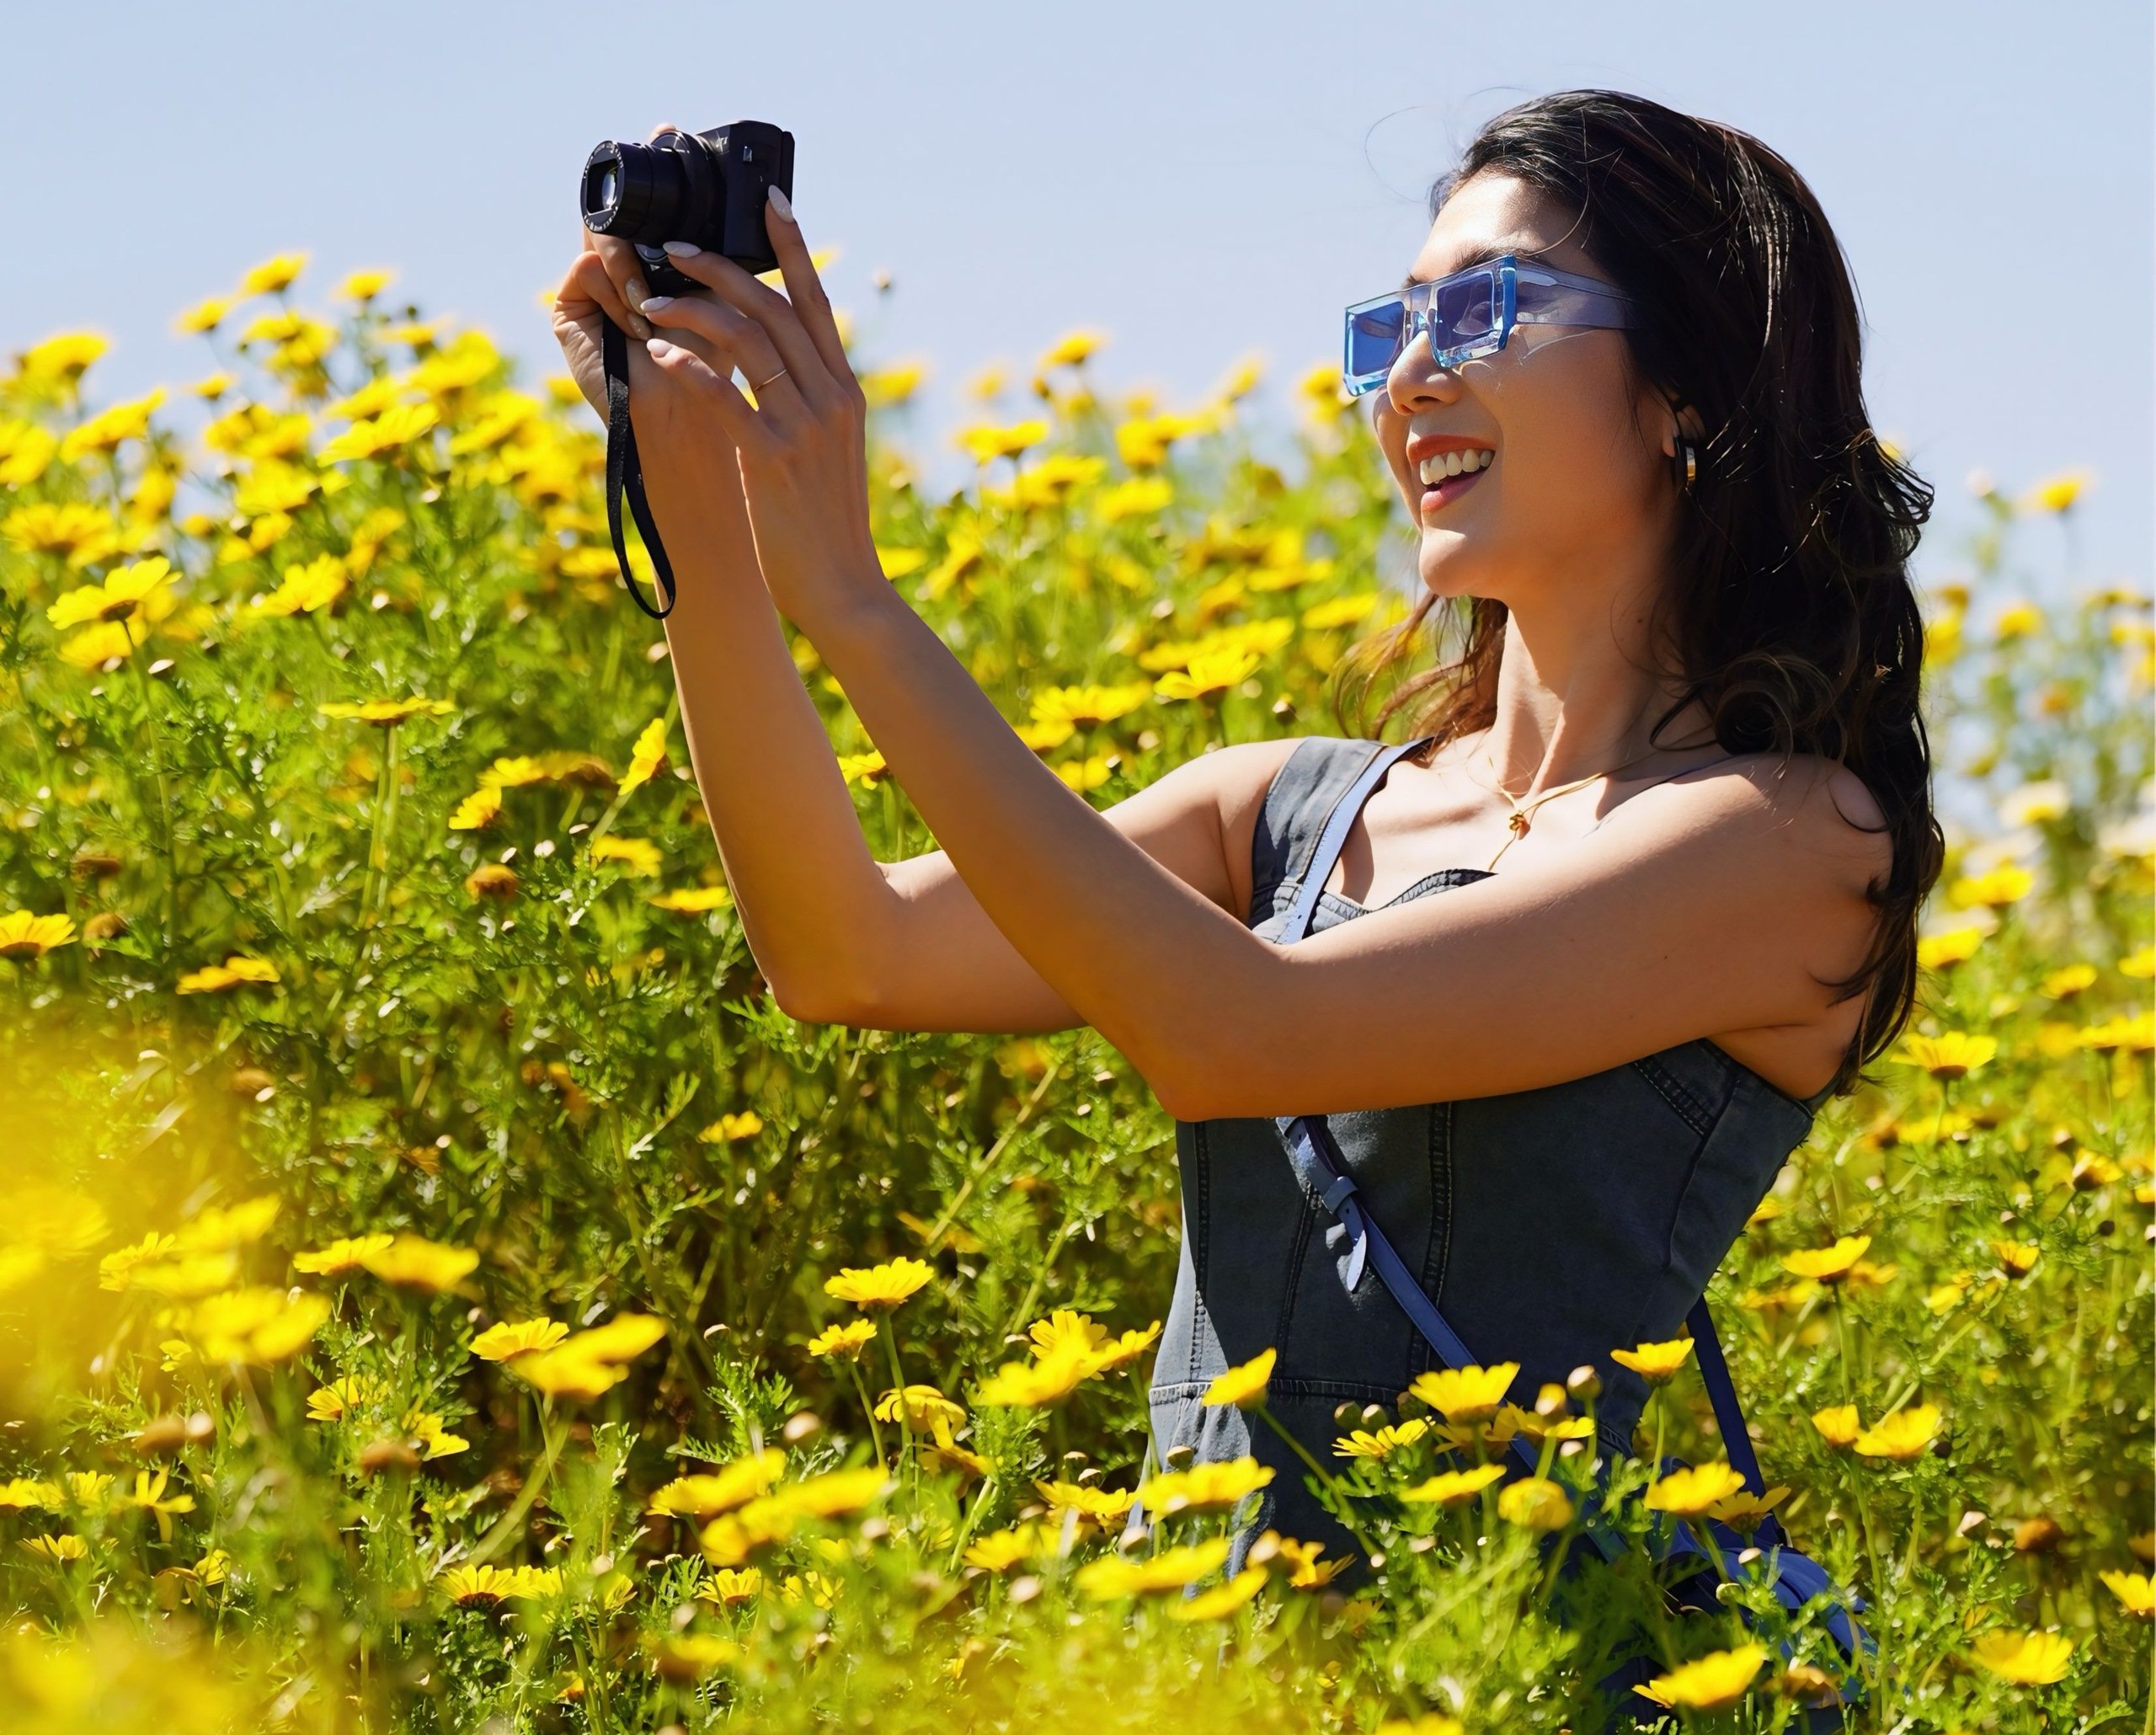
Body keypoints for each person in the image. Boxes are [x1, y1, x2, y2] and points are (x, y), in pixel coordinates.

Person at [552, 88, 1941, 1572]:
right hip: (1208, 1702)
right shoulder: (1292, 810)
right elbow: (848, 950)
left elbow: (1235, 1033)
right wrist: (695, 494)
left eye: (1484, 312)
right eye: (1391, 328)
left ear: (1690, 390)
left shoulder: (1790, 842)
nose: (1405, 381)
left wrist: (853, 600)